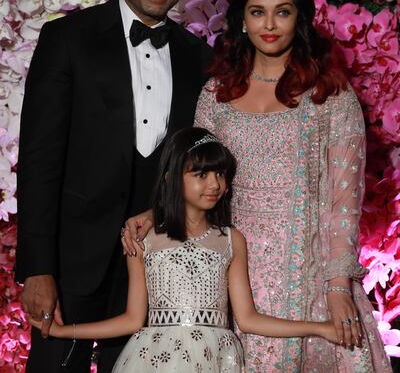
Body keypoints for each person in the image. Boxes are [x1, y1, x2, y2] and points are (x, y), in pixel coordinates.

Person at [123, 0, 392, 372]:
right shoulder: (217, 95)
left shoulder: (330, 97)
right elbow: (197, 176)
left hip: (308, 271)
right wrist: (156, 213)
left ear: (299, 19)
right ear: (242, 21)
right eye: (257, 11)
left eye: (282, 11)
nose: (269, 24)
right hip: (227, 266)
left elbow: (344, 203)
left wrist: (338, 286)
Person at [15, 0, 213, 373]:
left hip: (157, 264)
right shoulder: (67, 39)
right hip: (71, 261)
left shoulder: (199, 58)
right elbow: (39, 159)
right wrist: (37, 268)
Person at [28, 127, 340, 372]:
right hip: (155, 359)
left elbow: (247, 318)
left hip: (217, 359)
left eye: (220, 174)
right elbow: (132, 320)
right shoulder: (144, 240)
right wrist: (62, 332)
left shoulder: (231, 240)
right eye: (201, 174)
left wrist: (319, 328)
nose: (214, 184)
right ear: (171, 178)